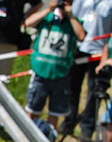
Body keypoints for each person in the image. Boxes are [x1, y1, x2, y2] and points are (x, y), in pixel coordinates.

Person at [59, 0, 112, 142]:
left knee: (95, 92)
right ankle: (69, 122)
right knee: (72, 88)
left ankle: (87, 128)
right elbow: (71, 16)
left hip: (100, 53)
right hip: (79, 49)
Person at [23, 0, 85, 131]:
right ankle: (28, 137)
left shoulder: (73, 21)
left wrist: (71, 16)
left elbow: (81, 36)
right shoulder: (47, 17)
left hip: (60, 75)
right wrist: (49, 9)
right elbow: (28, 23)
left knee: (55, 113)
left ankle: (50, 141)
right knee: (34, 109)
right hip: (41, 71)